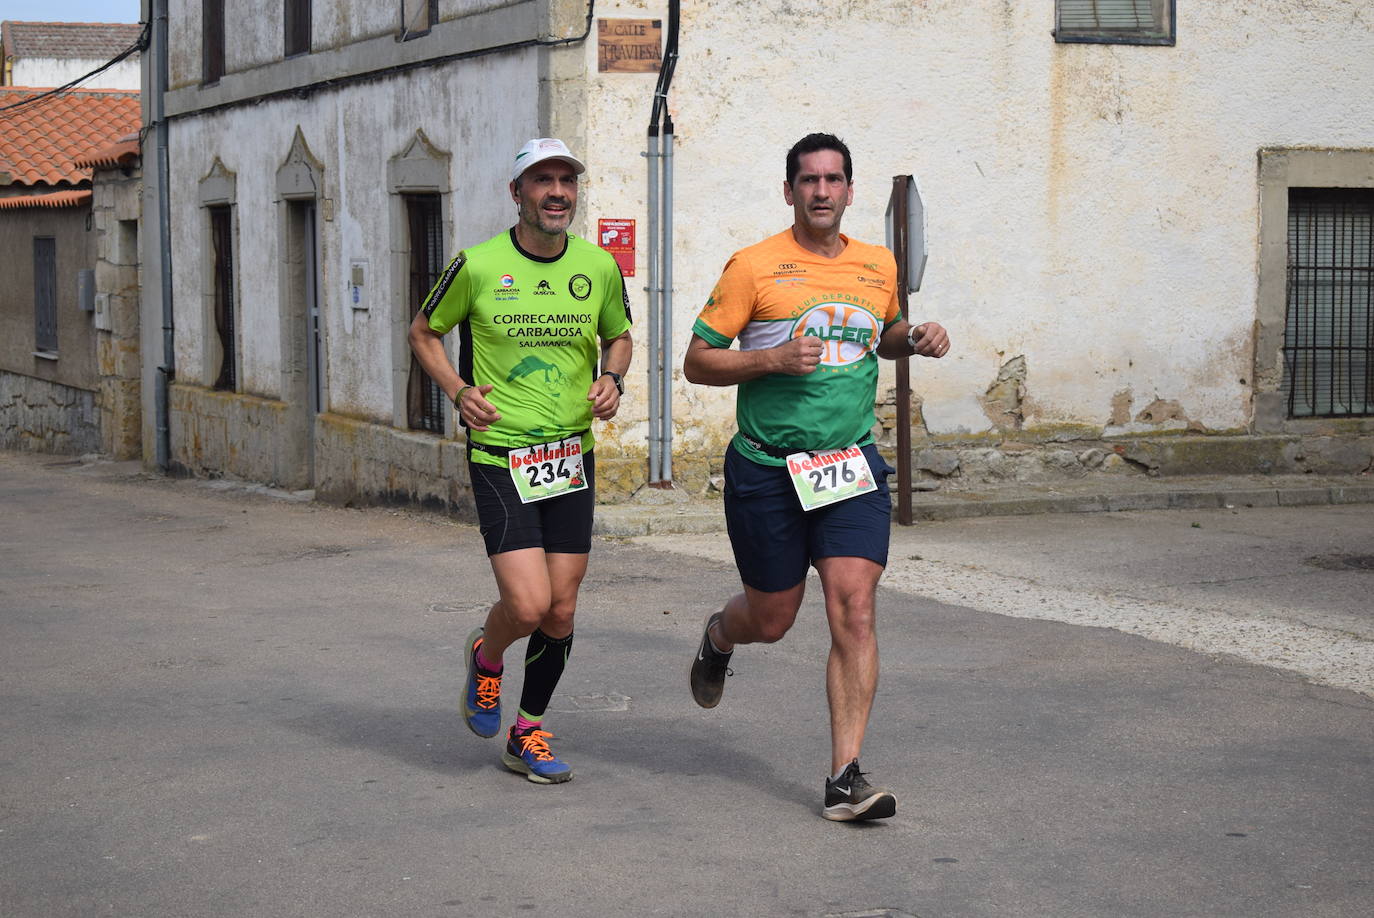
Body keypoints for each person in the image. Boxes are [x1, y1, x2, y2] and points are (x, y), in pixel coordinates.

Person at [684, 133, 949, 820]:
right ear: (790, 191)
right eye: (809, 180)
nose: (822, 191)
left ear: (850, 191)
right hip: (768, 468)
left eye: (833, 180)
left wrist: (915, 337)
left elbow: (883, 334)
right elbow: (698, 361)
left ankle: (844, 778)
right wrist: (769, 360)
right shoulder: (753, 266)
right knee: (771, 619)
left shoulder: (877, 264)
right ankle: (720, 635)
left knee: (854, 608)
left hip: (848, 464)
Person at [409, 138, 633, 784]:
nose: (557, 192)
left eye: (566, 180)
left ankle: (526, 731)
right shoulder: (476, 266)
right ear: (517, 193)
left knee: (561, 610)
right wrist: (458, 391)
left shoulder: (598, 266)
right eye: (542, 181)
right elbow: (423, 332)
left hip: (570, 457)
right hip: (501, 456)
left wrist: (612, 378)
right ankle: (488, 656)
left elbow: (619, 335)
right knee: (530, 605)